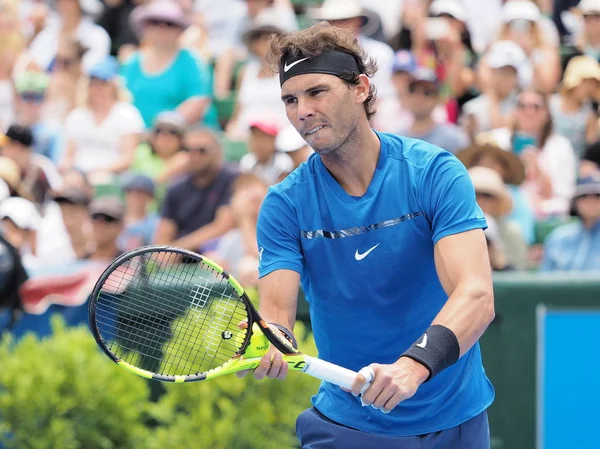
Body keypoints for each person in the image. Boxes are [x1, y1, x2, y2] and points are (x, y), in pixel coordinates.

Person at [246, 23, 495, 448]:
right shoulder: (285, 204)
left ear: (360, 88)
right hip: (348, 429)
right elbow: (277, 318)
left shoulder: (433, 173)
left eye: (316, 92)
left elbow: (476, 296)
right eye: (290, 99)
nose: (301, 110)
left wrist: (413, 367)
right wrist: (273, 341)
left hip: (456, 419)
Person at [122, 0, 219, 130]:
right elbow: (120, 98)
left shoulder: (193, 62)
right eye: (155, 22)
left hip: (179, 137)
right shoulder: (132, 62)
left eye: (169, 24)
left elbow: (198, 102)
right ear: (146, 27)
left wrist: (162, 132)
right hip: (134, 136)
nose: (161, 28)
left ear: (179, 30)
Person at [61, 56, 145, 182]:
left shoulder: (127, 114)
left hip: (112, 174)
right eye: (94, 83)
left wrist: (99, 170)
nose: (98, 88)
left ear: (113, 85)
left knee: (99, 180)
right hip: (78, 173)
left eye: (103, 83)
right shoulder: (77, 115)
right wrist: (67, 168)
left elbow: (127, 157)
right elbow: (69, 155)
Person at [154, 127, 239, 252]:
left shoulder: (232, 180)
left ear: (217, 151)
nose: (195, 156)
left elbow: (223, 226)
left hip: (215, 257)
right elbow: (164, 232)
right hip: (180, 260)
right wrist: (164, 254)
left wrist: (178, 248)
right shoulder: (175, 188)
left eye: (202, 150)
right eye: (189, 150)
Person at [468, 166, 528, 270]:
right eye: (474, 194)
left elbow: (520, 278)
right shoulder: (454, 230)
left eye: (487, 195)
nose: (480, 200)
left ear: (497, 201)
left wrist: (501, 264)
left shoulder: (512, 232)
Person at [398, 68, 470, 154]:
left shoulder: (454, 138)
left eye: (427, 93)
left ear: (437, 99)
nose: (419, 98)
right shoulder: (397, 139)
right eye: (413, 91)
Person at [540, 174, 600, 271]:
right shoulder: (558, 238)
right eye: (584, 196)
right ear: (575, 202)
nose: (591, 201)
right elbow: (544, 279)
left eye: (597, 196)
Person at [549, 55, 600, 157]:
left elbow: (590, 151)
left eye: (592, 84)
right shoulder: (550, 104)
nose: (588, 88)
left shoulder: (590, 115)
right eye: (585, 82)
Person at [239, 115, 293, 185]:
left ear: (273, 140)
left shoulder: (283, 163)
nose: (257, 142)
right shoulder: (246, 162)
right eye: (254, 136)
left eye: (262, 138)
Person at [117, 173, 160, 252]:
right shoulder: (113, 218)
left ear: (150, 197)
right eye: (131, 193)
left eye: (140, 194)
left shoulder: (157, 222)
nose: (135, 197)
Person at [86, 196, 126, 262]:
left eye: (108, 219)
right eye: (95, 217)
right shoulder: (77, 263)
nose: (100, 224)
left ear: (121, 226)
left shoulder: (131, 264)